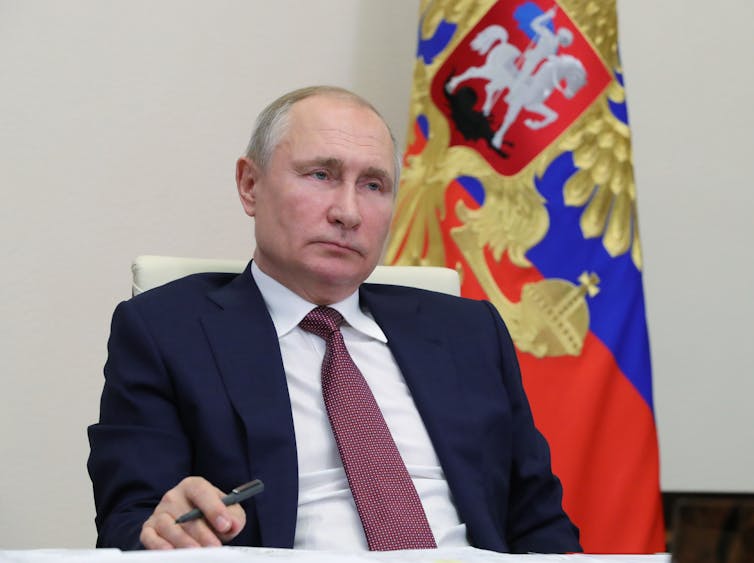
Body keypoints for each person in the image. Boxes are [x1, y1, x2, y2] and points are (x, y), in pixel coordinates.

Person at [87, 85, 581, 553]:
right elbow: (129, 524)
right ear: (250, 185)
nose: (347, 212)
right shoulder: (166, 332)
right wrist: (162, 528)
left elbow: (539, 523)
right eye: (320, 175)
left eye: (373, 185)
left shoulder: (468, 332)